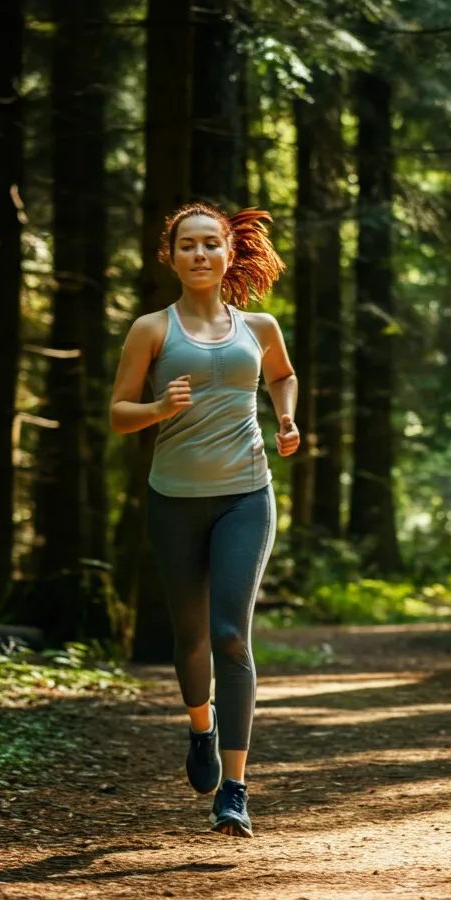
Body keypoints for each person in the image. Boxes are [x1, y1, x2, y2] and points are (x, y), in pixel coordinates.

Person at [109, 203, 300, 837]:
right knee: (189, 636)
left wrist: (288, 417)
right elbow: (117, 414)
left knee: (230, 637)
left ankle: (236, 790)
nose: (199, 254)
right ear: (170, 256)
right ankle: (201, 726)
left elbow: (283, 375)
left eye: (210, 244)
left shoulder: (261, 326)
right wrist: (160, 405)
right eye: (186, 245)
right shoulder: (151, 330)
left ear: (228, 253)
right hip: (174, 498)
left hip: (247, 494)